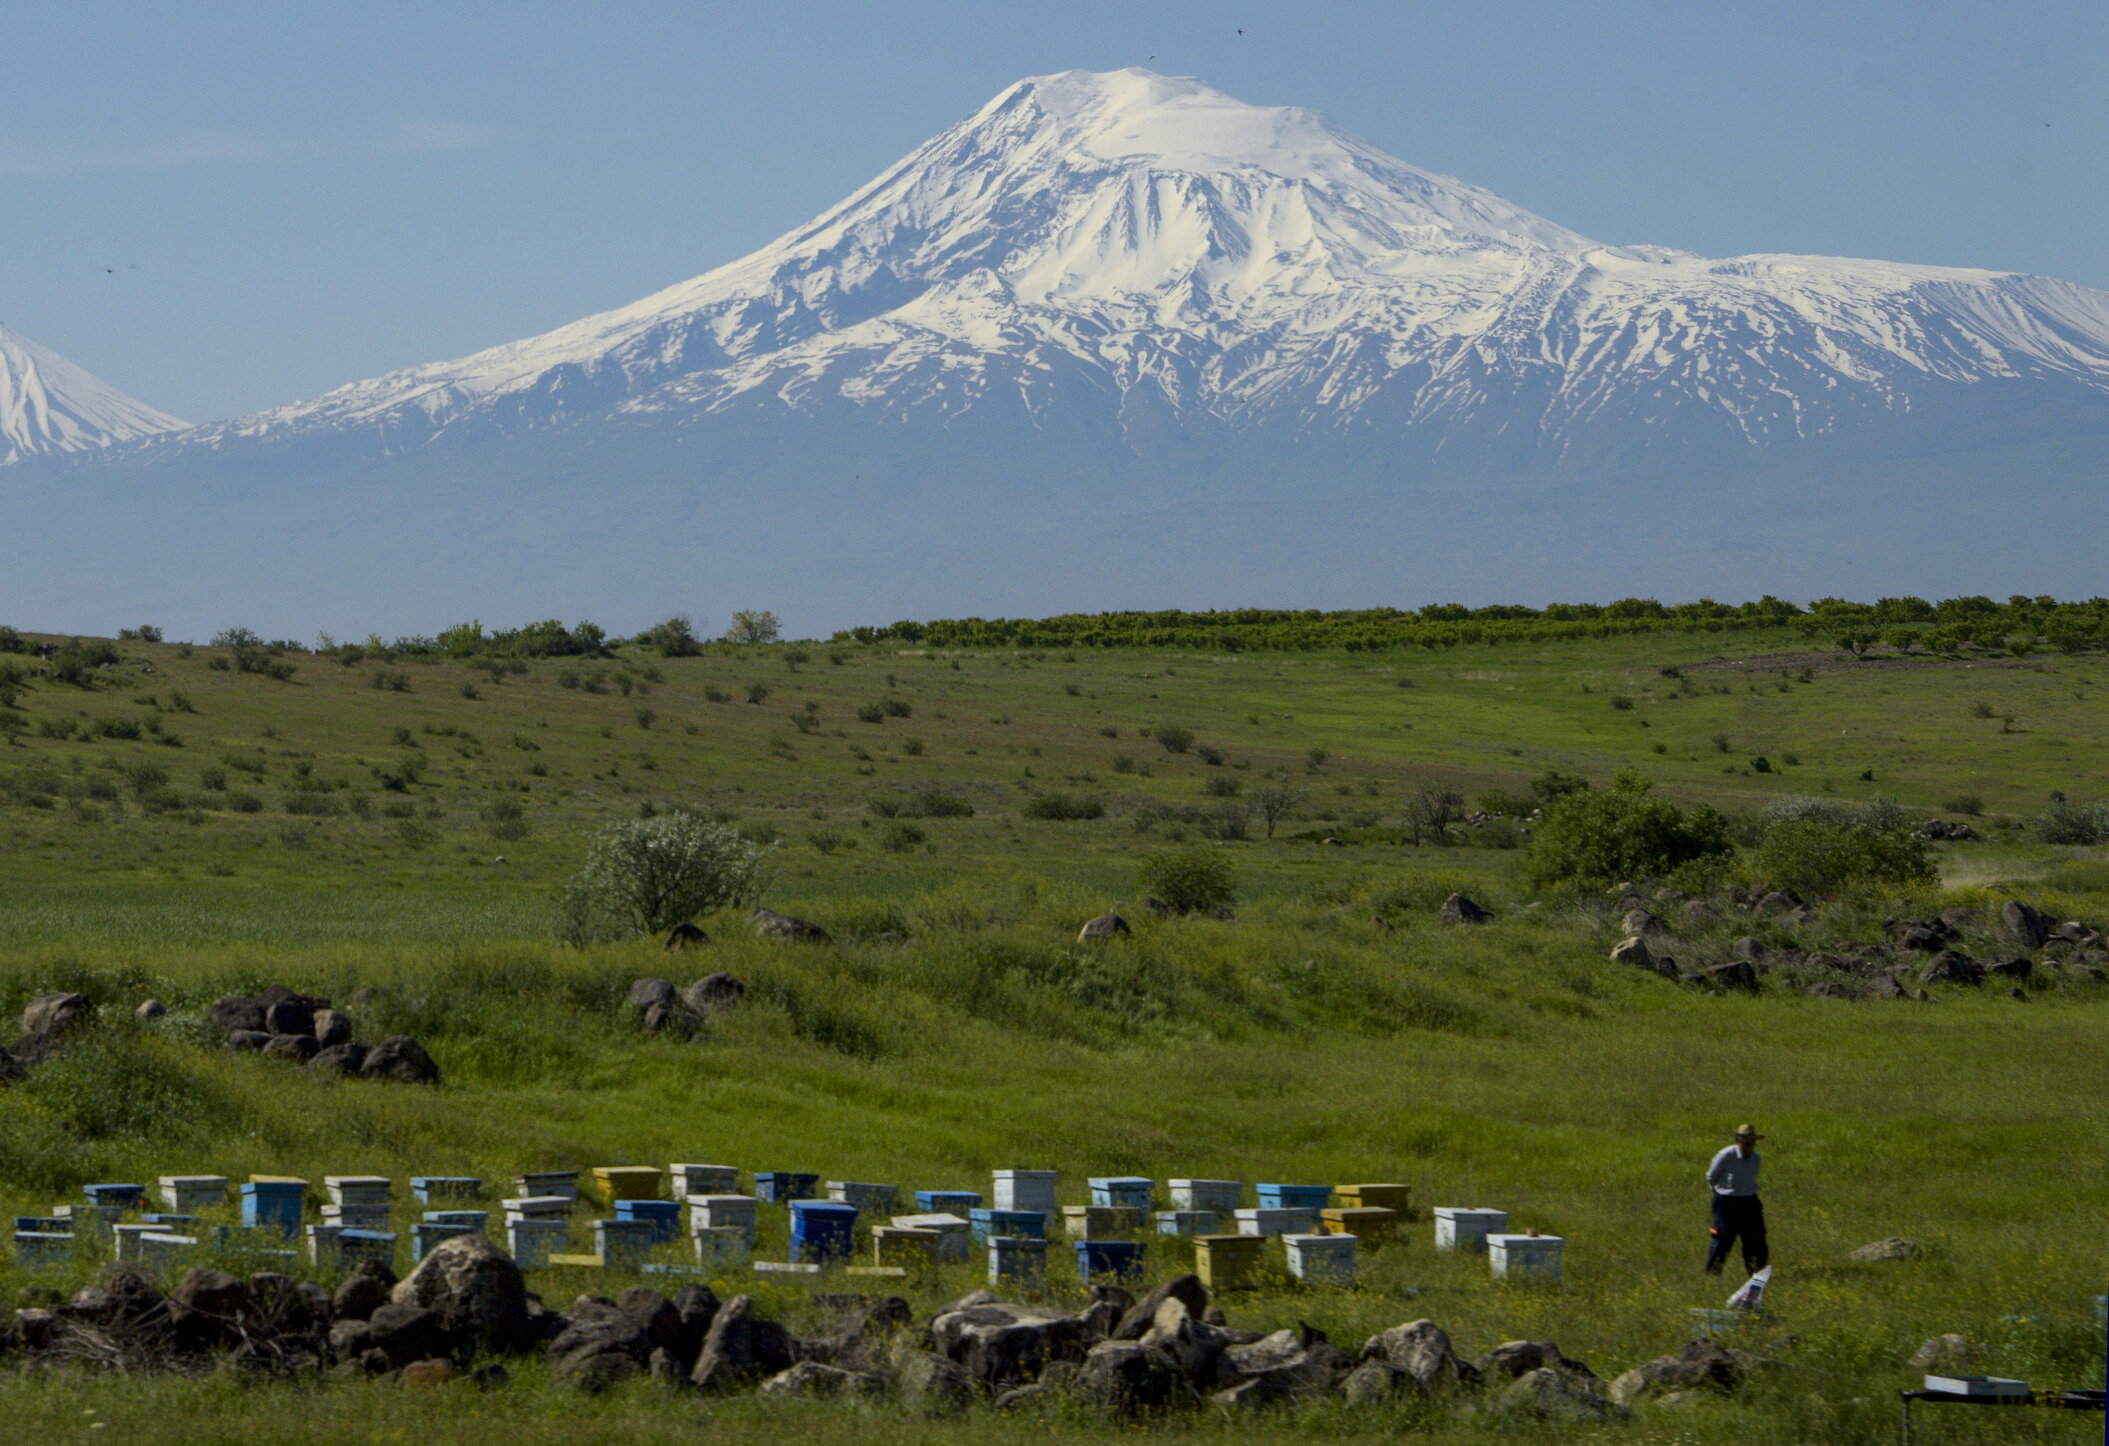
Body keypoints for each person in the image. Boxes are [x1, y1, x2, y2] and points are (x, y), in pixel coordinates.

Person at [1704, 1123, 1768, 1274]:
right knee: (1722, 1240)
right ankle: (1712, 1274)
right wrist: (1720, 1196)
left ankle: (1757, 1275)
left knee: (1756, 1240)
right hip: (1727, 1203)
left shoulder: (1756, 1158)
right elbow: (1711, 1177)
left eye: (1751, 1143)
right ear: (1738, 1141)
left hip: (1750, 1202)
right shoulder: (1726, 1155)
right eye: (1745, 1143)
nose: (1748, 1146)